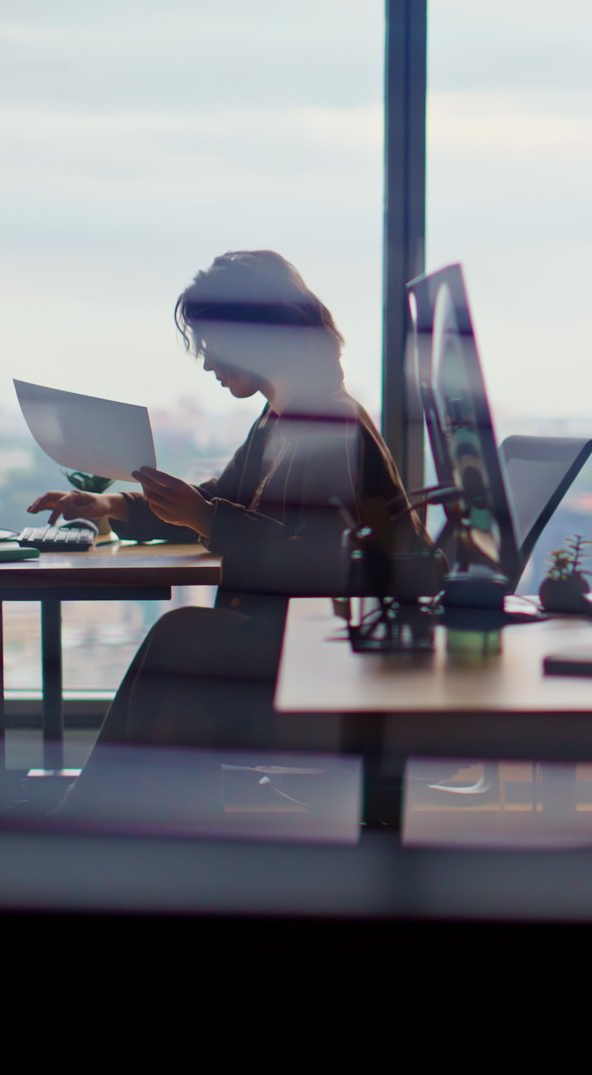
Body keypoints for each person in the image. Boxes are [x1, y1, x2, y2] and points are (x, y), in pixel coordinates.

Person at [31, 250, 423, 821]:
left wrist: (206, 519)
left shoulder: (329, 421)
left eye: (214, 344)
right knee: (180, 645)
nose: (209, 362)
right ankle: (97, 826)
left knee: (183, 643)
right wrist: (111, 505)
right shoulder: (284, 414)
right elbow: (220, 497)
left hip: (333, 655)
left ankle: (96, 828)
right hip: (302, 641)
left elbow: (316, 558)